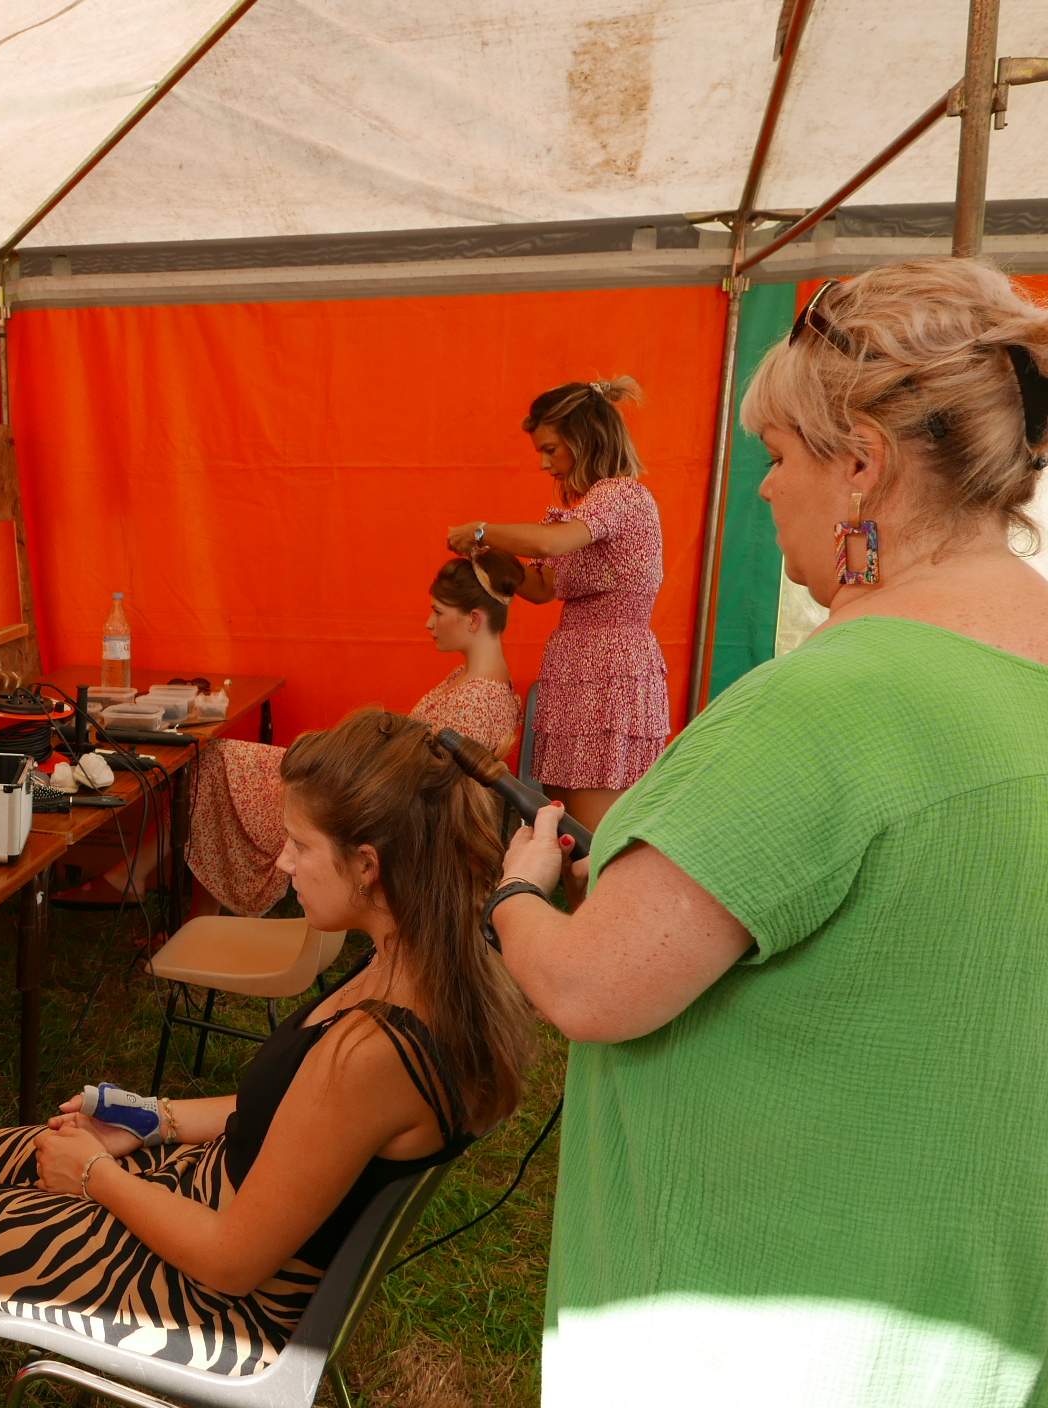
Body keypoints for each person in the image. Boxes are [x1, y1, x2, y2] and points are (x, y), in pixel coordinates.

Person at [485, 258, 1048, 1406]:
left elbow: (592, 984)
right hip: (977, 1311)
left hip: (769, 1326)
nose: (764, 491)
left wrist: (517, 894)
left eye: (779, 455)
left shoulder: (828, 701)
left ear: (863, 465)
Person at [0, 711, 537, 1407]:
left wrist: (95, 1178)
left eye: (298, 844)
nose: (282, 862)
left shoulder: (379, 1048)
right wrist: (153, 1120)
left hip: (224, 1304)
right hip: (221, 1201)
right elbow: (303, 1119)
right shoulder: (415, 964)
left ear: (369, 865)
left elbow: (232, 1261)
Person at [184, 551, 527, 918]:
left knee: (216, 761)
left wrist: (347, 760)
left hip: (373, 806)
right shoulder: (474, 682)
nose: (429, 623)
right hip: (373, 786)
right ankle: (189, 903)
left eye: (438, 612)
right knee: (216, 761)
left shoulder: (478, 700)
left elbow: (428, 791)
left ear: (473, 619)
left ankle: (188, 908)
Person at [446, 378, 667, 832]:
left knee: (587, 838)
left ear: (583, 440)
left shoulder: (621, 496)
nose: (544, 464)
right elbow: (542, 586)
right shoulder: (590, 508)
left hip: (609, 673)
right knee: (561, 828)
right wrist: (490, 554)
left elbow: (550, 544)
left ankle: (591, 883)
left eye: (550, 449)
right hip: (576, 669)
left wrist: (484, 530)